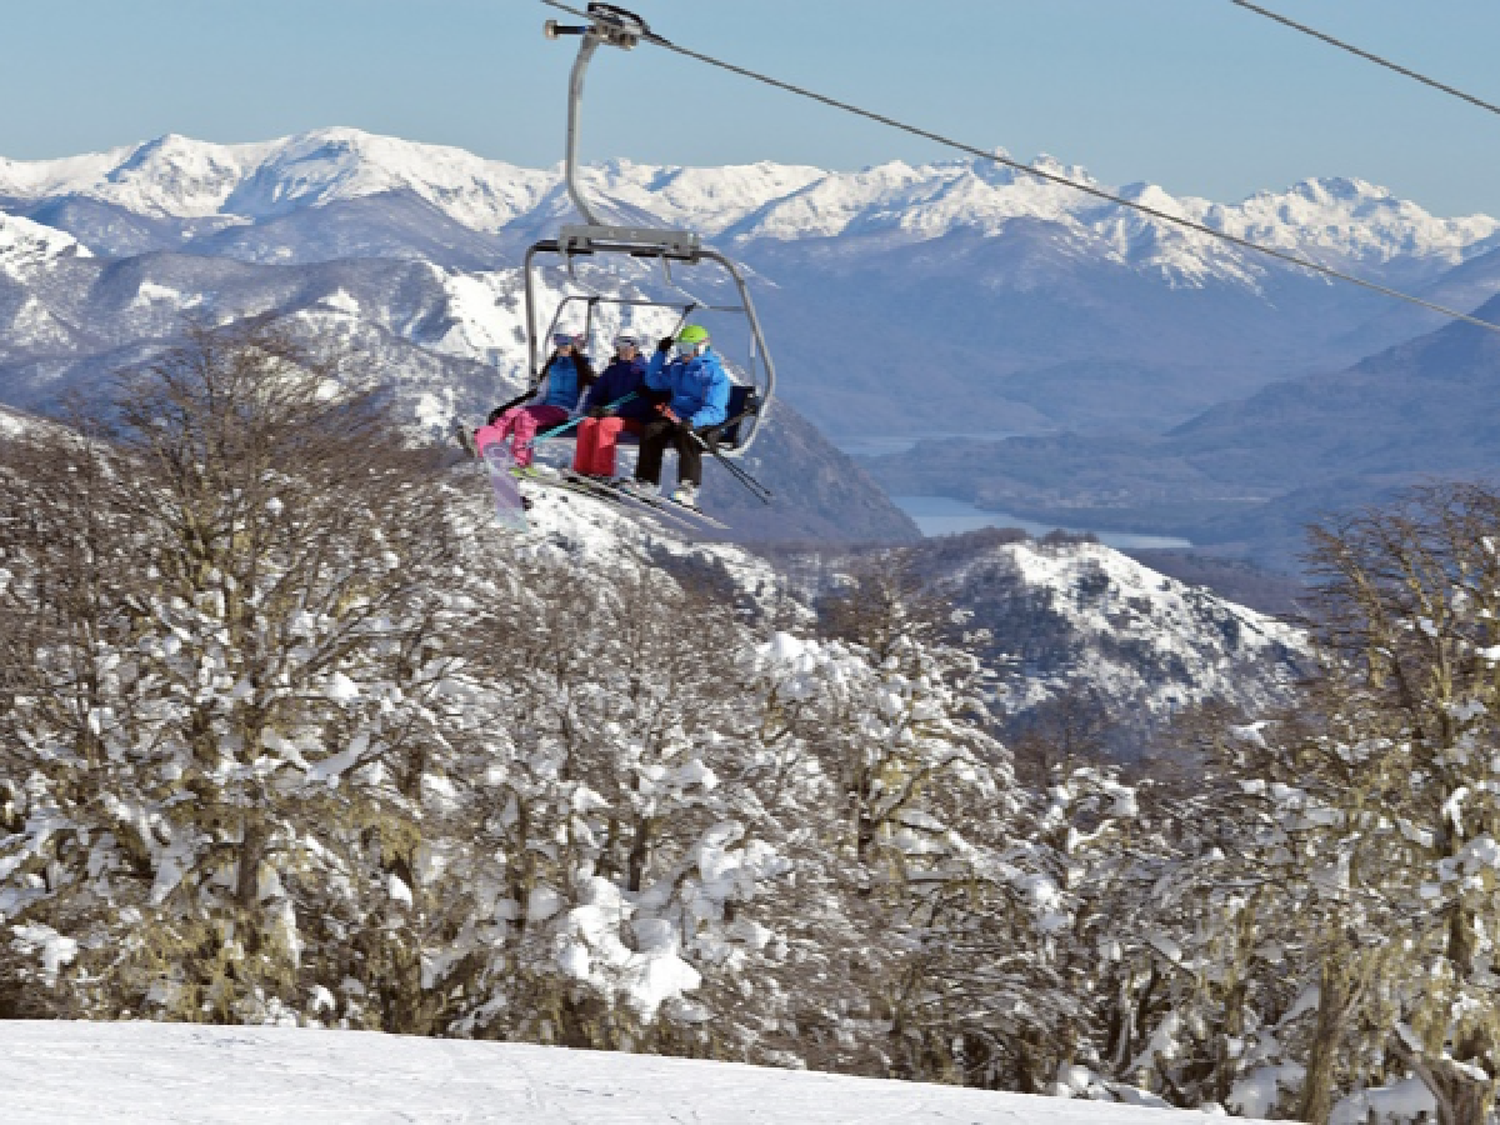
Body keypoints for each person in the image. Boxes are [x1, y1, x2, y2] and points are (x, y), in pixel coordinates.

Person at [623, 324, 729, 509]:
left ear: (700, 348)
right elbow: (654, 382)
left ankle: (688, 487)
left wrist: (694, 421)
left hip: (704, 420)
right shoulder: (678, 368)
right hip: (677, 416)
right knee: (652, 430)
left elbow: (716, 410)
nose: (683, 353)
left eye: (687, 349)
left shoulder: (715, 375)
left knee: (686, 435)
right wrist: (660, 354)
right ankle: (647, 482)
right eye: (680, 349)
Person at [474, 332, 596, 471]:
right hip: (546, 408)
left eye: (565, 341)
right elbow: (542, 394)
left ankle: (521, 461)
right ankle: (481, 443)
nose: (561, 346)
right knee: (510, 414)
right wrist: (525, 407)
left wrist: (575, 415)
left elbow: (586, 394)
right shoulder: (553, 366)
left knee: (526, 418)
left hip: (564, 410)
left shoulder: (583, 368)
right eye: (557, 341)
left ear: (576, 343)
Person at [571, 333, 654, 479]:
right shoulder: (612, 370)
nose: (624, 350)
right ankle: (582, 469)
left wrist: (616, 411)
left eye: (628, 345)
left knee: (606, 425)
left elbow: (645, 403)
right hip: (610, 414)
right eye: (620, 346)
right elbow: (596, 393)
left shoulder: (644, 372)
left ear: (636, 348)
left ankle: (602, 472)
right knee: (586, 423)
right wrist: (592, 407)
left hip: (635, 419)